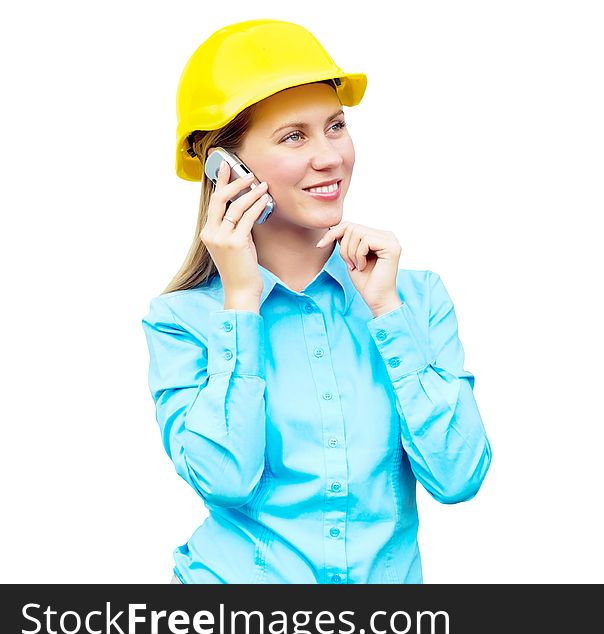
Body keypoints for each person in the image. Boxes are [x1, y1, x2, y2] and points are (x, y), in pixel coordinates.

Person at [141, 19, 492, 584]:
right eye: (293, 137)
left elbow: (459, 476)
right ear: (224, 167)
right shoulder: (183, 321)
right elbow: (224, 477)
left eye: (335, 127)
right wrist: (240, 305)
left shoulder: (413, 298)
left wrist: (387, 316)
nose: (330, 157)